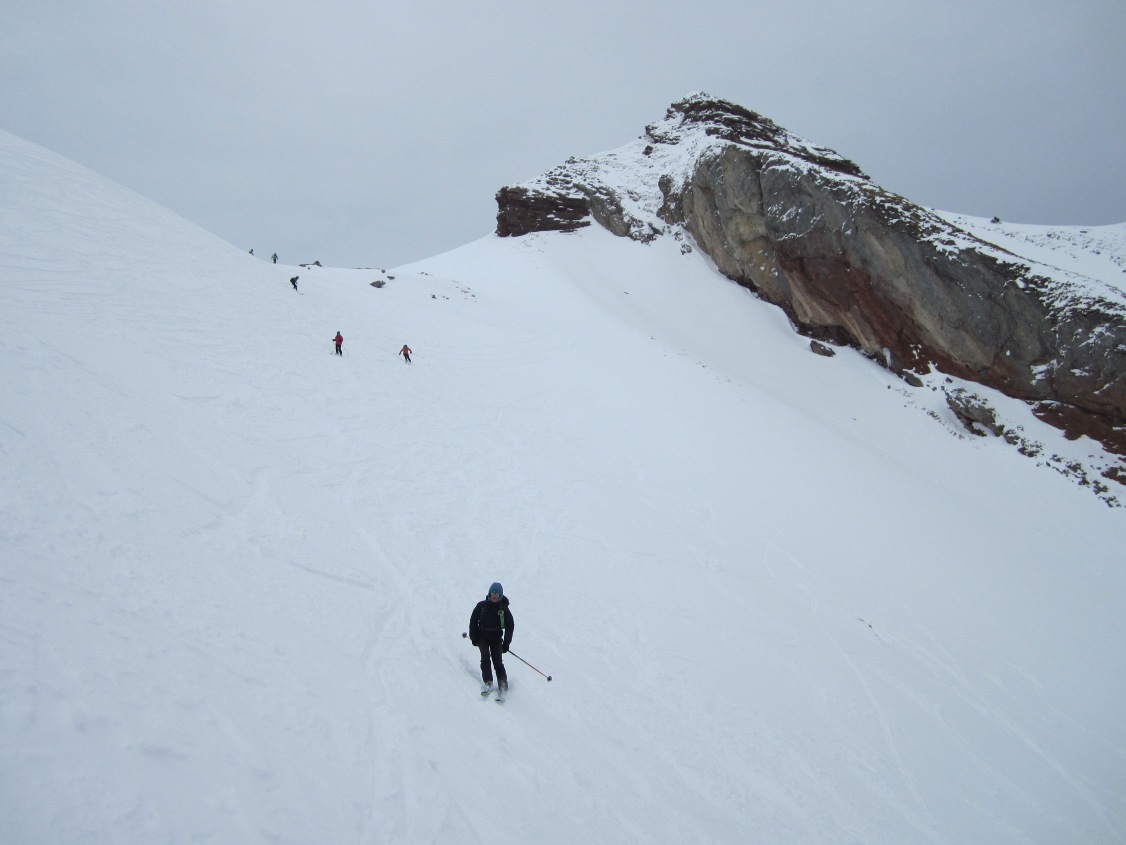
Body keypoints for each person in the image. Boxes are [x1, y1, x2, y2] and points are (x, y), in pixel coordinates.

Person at [469, 582, 513, 697]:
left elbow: (510, 626)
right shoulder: (482, 606)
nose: (495, 596)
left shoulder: (504, 609)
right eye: (493, 593)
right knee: (485, 658)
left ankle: (503, 684)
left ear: (501, 596)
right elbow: (473, 621)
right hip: (482, 636)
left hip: (496, 638)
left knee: (497, 661)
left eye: (498, 594)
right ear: (489, 593)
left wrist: (506, 643)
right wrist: (473, 637)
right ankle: (488, 681)